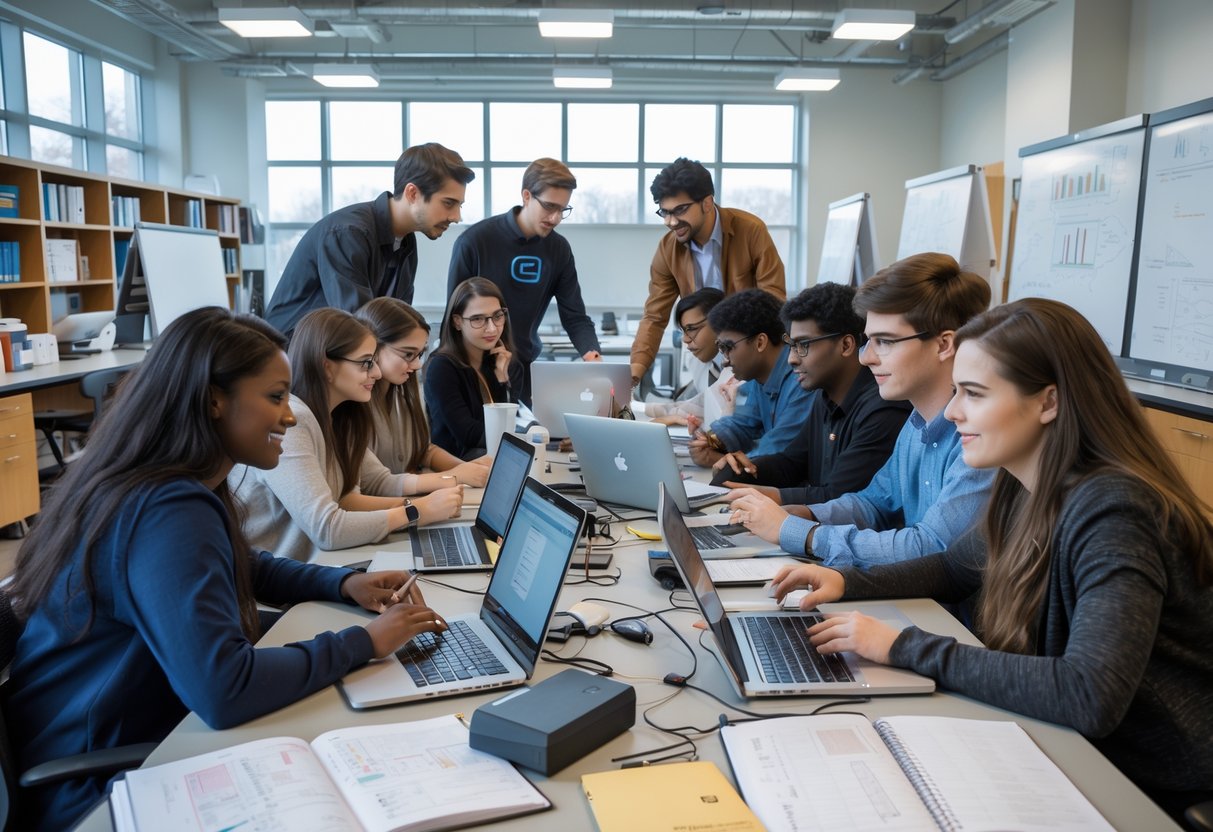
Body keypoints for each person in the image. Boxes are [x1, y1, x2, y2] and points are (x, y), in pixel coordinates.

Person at [5, 307, 449, 832]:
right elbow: (224, 688)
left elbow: (243, 563)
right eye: (275, 397)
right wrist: (364, 644)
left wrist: (341, 582)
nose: (289, 416)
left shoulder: (160, 482)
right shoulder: (165, 509)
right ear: (215, 400)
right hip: (99, 788)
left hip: (137, 733)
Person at [771, 298, 1213, 818]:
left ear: (1049, 402)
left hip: (1144, 783)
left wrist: (901, 646)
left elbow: (1088, 692)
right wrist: (846, 584)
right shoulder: (1026, 486)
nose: (953, 411)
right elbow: (954, 568)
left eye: (974, 394)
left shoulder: (1116, 510)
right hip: (1075, 747)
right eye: (956, 390)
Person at [729, 253, 994, 567]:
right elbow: (874, 504)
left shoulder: (979, 438)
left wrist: (802, 533)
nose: (866, 358)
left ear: (943, 344)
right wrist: (807, 514)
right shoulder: (915, 424)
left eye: (884, 341)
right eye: (868, 341)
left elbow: (931, 547)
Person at [231, 308, 464, 562]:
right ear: (327, 367)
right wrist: (417, 511)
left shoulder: (340, 416)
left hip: (322, 567)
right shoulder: (293, 422)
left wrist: (425, 504)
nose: (376, 372)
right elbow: (328, 528)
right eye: (366, 363)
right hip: (278, 590)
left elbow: (364, 489)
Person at [713, 282, 911, 502]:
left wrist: (766, 495)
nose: (792, 359)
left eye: (803, 345)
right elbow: (791, 462)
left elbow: (837, 497)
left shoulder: (884, 408)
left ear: (846, 345)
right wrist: (745, 468)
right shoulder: (824, 396)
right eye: (792, 346)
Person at [265, 143, 474, 339]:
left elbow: (396, 318)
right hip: (295, 360)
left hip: (342, 356)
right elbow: (358, 325)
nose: (456, 216)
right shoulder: (348, 232)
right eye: (448, 203)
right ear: (412, 193)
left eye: (460, 206)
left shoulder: (406, 242)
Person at [447, 158, 601, 405]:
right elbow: (453, 316)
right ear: (527, 196)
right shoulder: (475, 241)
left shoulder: (558, 249)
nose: (555, 218)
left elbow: (575, 316)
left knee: (527, 439)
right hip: (473, 370)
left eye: (563, 210)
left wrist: (592, 354)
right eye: (549, 206)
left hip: (523, 369)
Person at [630, 157, 786, 389]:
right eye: (664, 212)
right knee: (706, 416)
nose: (671, 222)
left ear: (707, 202)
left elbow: (773, 299)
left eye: (680, 210)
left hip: (749, 346)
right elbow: (655, 316)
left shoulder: (750, 230)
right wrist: (634, 374)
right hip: (703, 351)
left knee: (741, 414)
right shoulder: (667, 249)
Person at [354, 297, 491, 487]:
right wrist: (456, 476)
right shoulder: (354, 405)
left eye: (419, 354)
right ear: (373, 347)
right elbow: (378, 484)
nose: (417, 364)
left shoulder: (401, 394)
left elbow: (423, 450)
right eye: (408, 354)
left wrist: (467, 469)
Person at [685, 288, 812, 468]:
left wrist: (720, 461)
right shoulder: (758, 380)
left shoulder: (802, 382)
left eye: (728, 347)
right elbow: (744, 424)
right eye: (721, 349)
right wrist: (710, 440)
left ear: (760, 342)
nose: (724, 361)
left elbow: (778, 449)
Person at [423, 277, 526, 460]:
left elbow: (505, 429)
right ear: (457, 322)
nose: (492, 328)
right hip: (456, 467)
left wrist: (501, 378)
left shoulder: (506, 362)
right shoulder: (441, 367)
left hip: (491, 459)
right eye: (478, 319)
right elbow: (469, 435)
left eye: (497, 316)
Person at [646, 287, 739, 426]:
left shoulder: (741, 367)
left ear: (720, 322)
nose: (685, 339)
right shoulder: (698, 362)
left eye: (691, 329)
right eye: (683, 331)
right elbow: (696, 406)